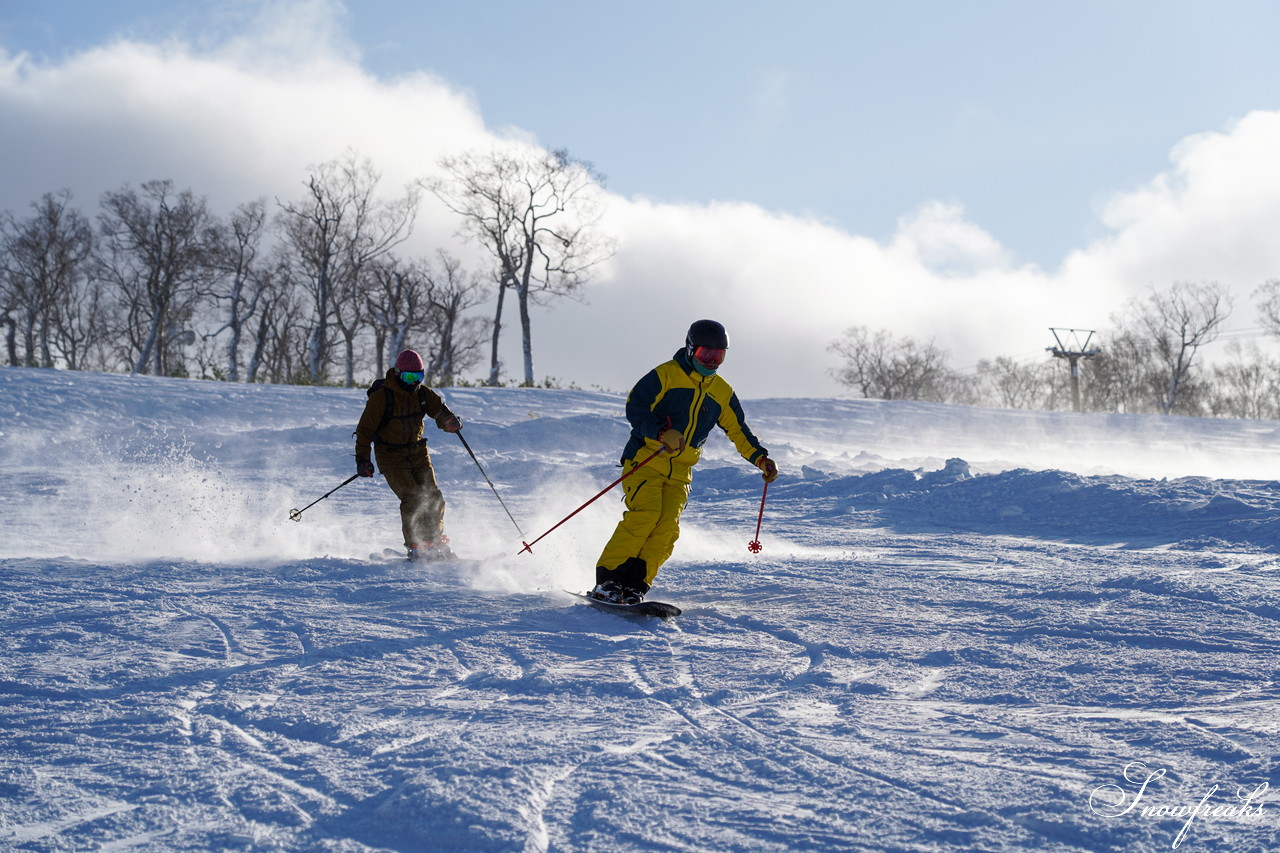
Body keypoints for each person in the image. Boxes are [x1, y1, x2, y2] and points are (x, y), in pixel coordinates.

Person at [591, 319, 779, 604]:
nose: (712, 361)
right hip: (646, 460)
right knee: (646, 516)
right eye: (706, 354)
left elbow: (738, 430)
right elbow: (635, 406)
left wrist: (760, 458)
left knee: (667, 528)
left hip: (681, 472)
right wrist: (660, 432)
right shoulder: (666, 375)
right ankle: (608, 581)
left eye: (719, 355)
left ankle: (634, 585)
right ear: (691, 349)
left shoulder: (722, 391)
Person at [354, 349, 463, 561]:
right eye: (409, 377)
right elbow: (364, 431)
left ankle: (434, 542)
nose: (414, 382)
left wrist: (449, 421)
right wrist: (363, 460)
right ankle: (416, 546)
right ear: (397, 373)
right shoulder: (381, 398)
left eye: (418, 377)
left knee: (433, 496)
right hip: (390, 456)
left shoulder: (423, 394)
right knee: (413, 497)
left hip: (418, 452)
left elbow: (439, 412)